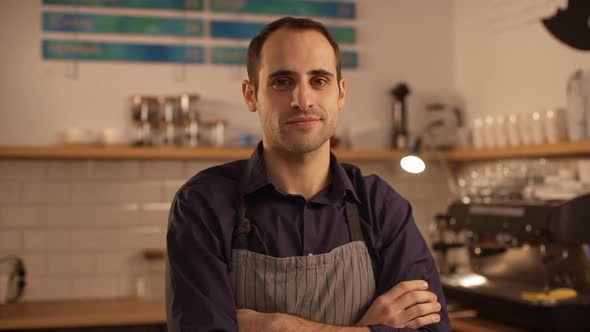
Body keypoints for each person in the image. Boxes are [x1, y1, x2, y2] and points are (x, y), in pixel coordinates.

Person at [166, 16, 451, 332]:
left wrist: (279, 326)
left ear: (340, 93)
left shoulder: (382, 208)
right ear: (250, 95)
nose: (302, 100)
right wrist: (369, 328)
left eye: (319, 81)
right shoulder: (203, 204)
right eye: (281, 82)